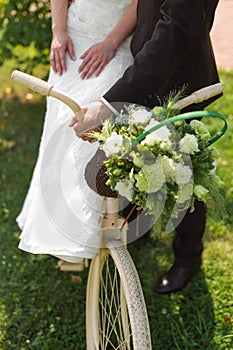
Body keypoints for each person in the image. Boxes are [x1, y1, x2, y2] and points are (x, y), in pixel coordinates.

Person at [71, 0, 222, 293]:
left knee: (186, 173)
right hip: (142, 72)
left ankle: (188, 257)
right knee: (138, 160)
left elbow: (173, 34)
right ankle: (137, 226)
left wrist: (106, 106)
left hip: (179, 79)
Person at [17, 0, 138, 265]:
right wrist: (58, 32)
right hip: (75, 34)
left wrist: (111, 43)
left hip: (116, 38)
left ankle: (89, 227)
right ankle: (56, 222)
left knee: (93, 131)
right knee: (62, 124)